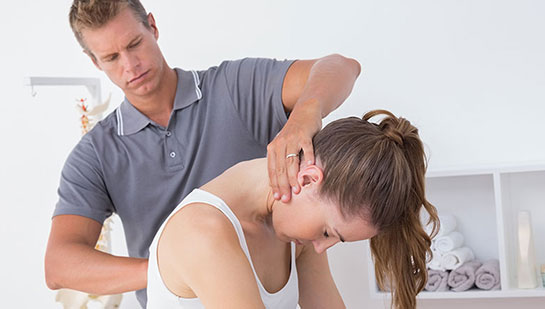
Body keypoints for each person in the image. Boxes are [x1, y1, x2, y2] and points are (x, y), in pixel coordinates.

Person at [44, 0, 361, 307]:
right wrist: (171, 269)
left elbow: (341, 67)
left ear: (152, 27)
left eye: (135, 44)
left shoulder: (235, 88)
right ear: (95, 62)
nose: (130, 65)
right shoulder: (97, 154)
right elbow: (60, 266)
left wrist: (305, 115)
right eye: (111, 57)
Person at [146, 110, 439, 309]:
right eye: (328, 232)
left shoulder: (296, 230)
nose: (323, 246)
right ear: (309, 178)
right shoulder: (203, 231)